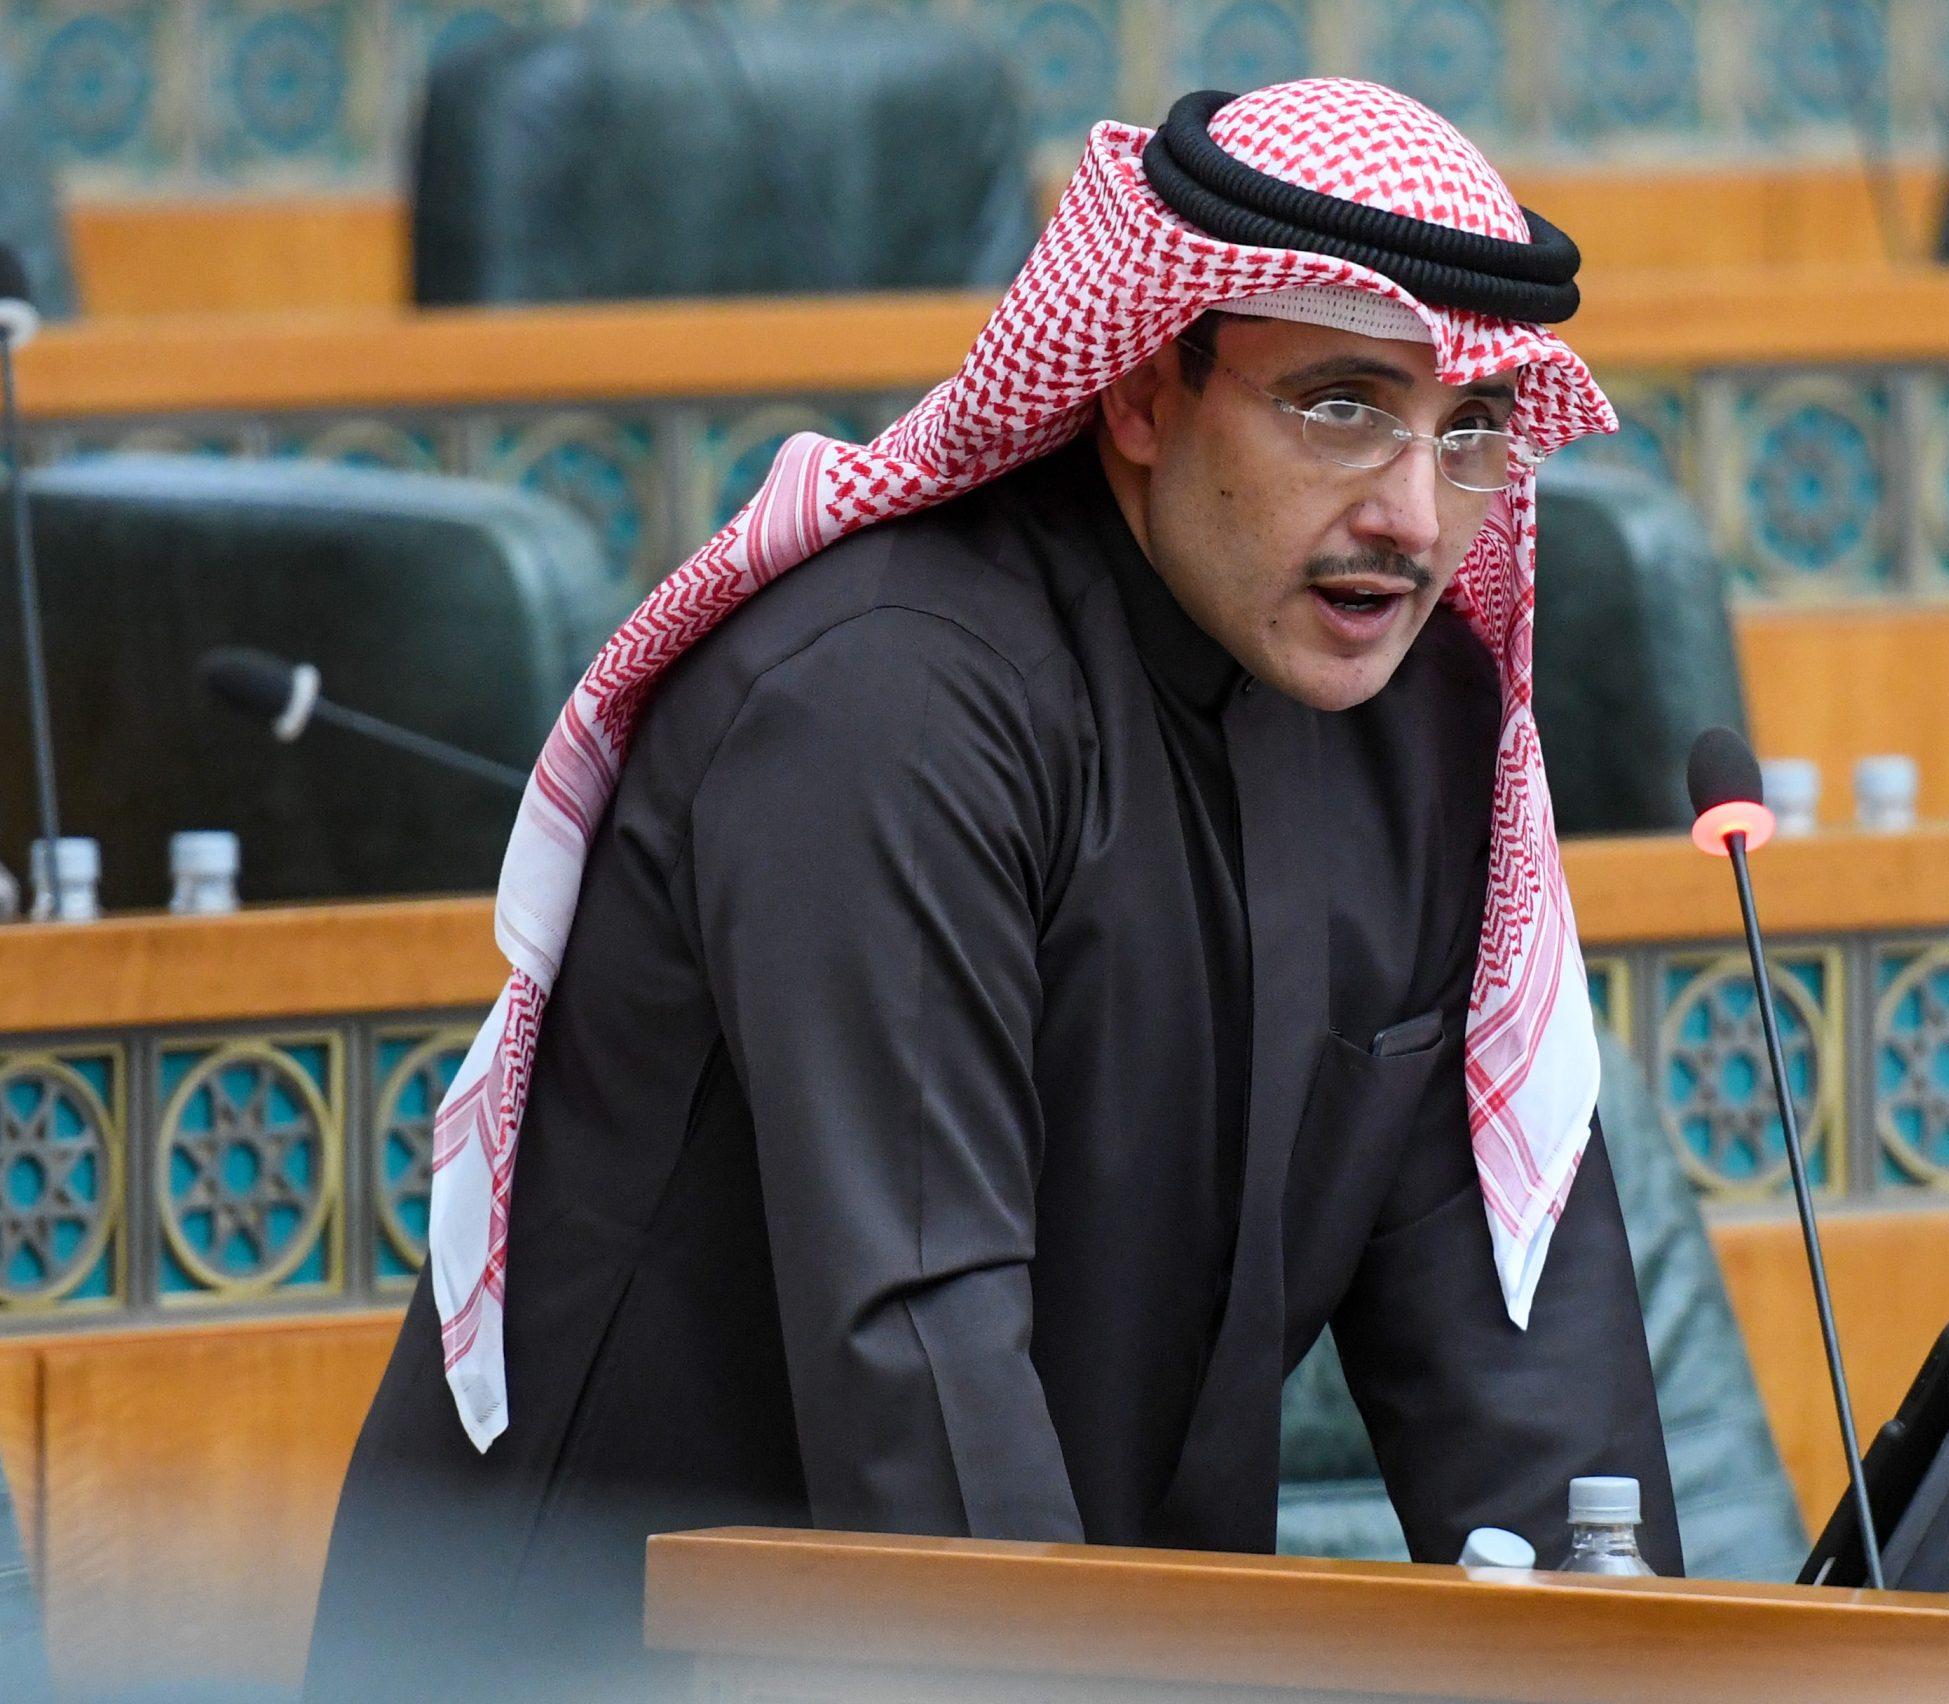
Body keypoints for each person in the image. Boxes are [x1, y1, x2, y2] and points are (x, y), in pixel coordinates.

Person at [305, 78, 1677, 1701]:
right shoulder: (884, 703)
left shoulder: (1417, 727)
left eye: (1471, 433)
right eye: (1339, 408)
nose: (1413, 512)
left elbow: (1523, 1360)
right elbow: (924, 1371)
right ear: (1145, 389)